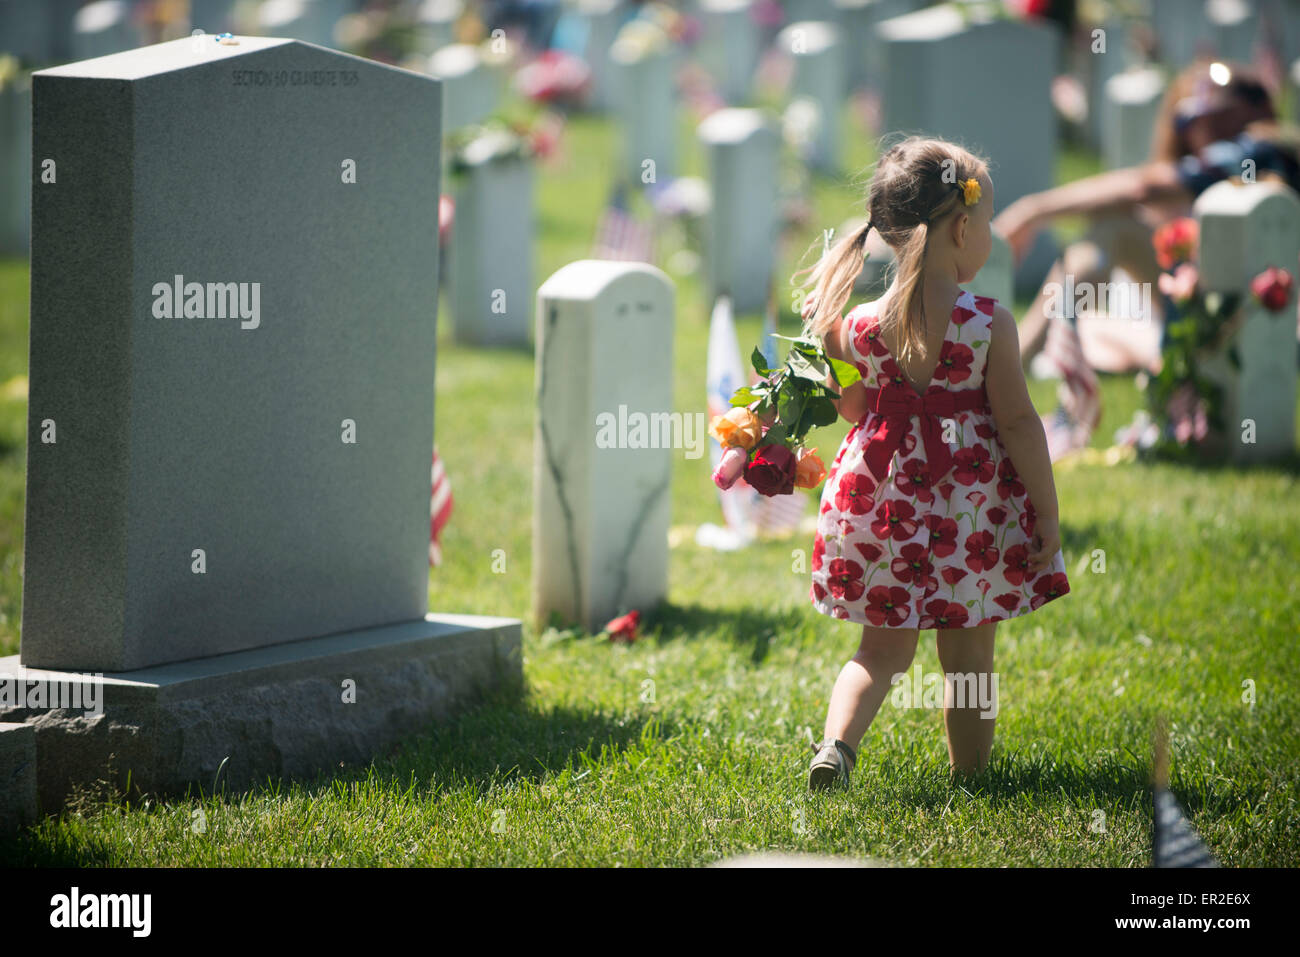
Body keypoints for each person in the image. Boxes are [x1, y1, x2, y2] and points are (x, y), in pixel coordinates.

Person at [795, 137, 1070, 791]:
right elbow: (1019, 423)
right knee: (970, 656)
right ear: (964, 227)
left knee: (878, 651)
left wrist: (824, 345)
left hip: (880, 500)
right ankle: (970, 779)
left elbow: (854, 408)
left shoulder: (858, 324)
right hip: (965, 508)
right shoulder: (986, 322)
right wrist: (1048, 515)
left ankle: (837, 746)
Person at [996, 60, 1299, 374]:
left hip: (1271, 316)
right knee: (1100, 297)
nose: (1203, 132)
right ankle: (1145, 355)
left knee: (1115, 234)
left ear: (1258, 110)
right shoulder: (1222, 163)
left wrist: (1031, 211)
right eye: (1190, 121)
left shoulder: (1267, 148)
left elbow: (1142, 188)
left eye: (1220, 116)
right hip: (1216, 309)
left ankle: (1011, 366)